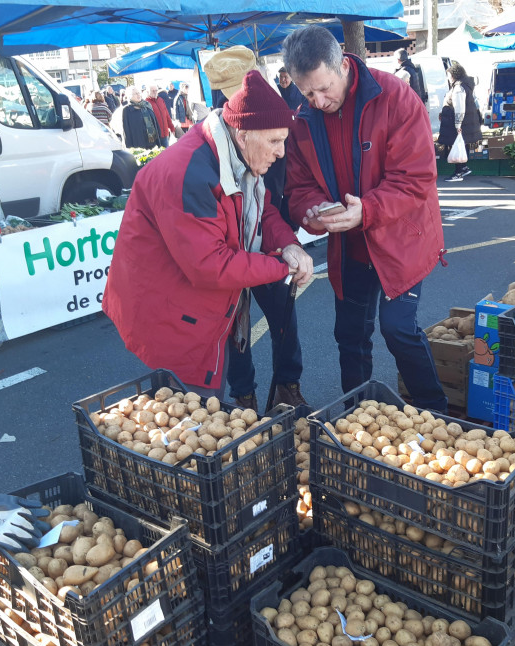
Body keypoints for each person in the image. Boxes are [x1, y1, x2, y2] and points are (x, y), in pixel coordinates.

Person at [101, 71, 314, 395]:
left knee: (214, 405)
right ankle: (238, 408)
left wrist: (288, 244)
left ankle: (245, 407)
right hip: (169, 308)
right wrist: (282, 265)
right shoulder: (188, 172)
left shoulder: (235, 154)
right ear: (243, 136)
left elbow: (263, 207)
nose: (281, 152)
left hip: (199, 299)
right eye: (274, 141)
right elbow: (211, 265)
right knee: (193, 416)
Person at [282, 25, 447, 412]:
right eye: (307, 93)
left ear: (342, 63)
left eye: (324, 88)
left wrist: (367, 210)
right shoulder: (302, 118)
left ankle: (436, 411)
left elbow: (417, 178)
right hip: (349, 244)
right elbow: (299, 185)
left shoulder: (395, 97)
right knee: (350, 334)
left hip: (400, 236)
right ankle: (357, 415)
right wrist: (311, 212)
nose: (318, 101)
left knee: (399, 328)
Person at [205, 47, 309, 410]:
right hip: (231, 253)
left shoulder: (274, 123)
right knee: (235, 326)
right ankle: (244, 397)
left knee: (284, 316)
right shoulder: (214, 144)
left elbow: (272, 200)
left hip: (269, 240)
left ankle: (287, 388)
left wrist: (290, 241)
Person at [438, 63, 482, 182]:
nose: (448, 78)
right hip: (467, 122)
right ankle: (463, 167)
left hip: (458, 122)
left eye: (449, 75)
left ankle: (458, 173)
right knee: (462, 144)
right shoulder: (466, 85)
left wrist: (458, 124)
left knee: (456, 145)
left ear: (454, 75)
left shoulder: (458, 88)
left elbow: (459, 107)